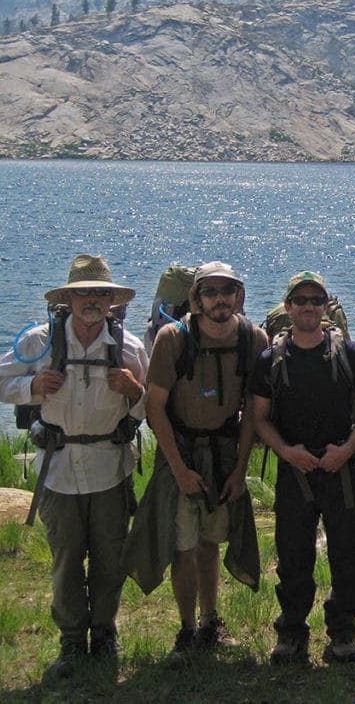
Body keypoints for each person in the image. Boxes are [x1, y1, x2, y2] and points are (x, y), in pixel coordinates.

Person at [0, 254, 147, 678]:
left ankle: (105, 633)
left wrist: (135, 391)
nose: (92, 300)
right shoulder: (41, 342)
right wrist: (32, 386)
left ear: (112, 299)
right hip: (57, 470)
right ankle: (73, 641)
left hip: (111, 467)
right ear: (69, 299)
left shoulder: (129, 347)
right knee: (65, 558)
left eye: (100, 292)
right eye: (83, 293)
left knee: (111, 558)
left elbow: (152, 406)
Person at [122, 262, 265, 656]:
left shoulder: (254, 339)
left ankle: (209, 623)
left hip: (223, 455)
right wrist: (179, 469)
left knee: (210, 542)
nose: (220, 299)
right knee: (182, 544)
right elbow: (155, 408)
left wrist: (240, 470)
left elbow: (253, 411)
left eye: (228, 291)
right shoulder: (173, 338)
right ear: (196, 299)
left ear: (239, 296)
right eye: (211, 292)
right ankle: (186, 630)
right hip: (181, 452)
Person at [251, 271, 355, 666]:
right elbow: (259, 418)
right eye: (300, 300)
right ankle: (291, 631)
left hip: (342, 470)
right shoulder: (271, 360)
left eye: (315, 300)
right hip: (295, 472)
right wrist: (288, 453)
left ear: (326, 307)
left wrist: (346, 451)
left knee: (348, 553)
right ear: (288, 308)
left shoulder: (349, 355)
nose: (308, 306)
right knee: (292, 556)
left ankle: (343, 632)